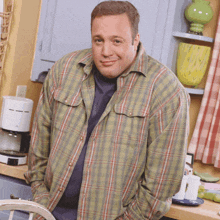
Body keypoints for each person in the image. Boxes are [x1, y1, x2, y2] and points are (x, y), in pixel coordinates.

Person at [25, 1, 190, 219]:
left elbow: (161, 186)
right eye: (98, 40)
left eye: (117, 41)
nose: (105, 51)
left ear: (135, 39)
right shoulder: (63, 71)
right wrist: (42, 203)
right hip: (48, 213)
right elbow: (38, 150)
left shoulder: (165, 92)